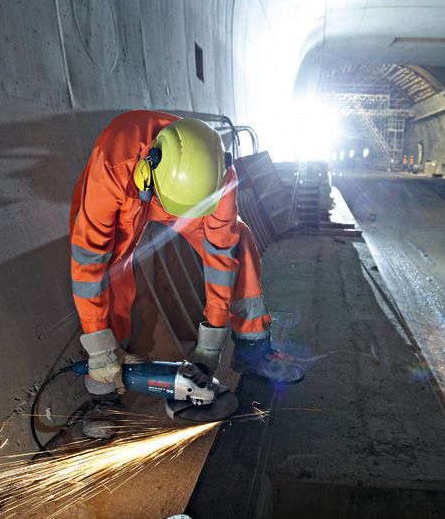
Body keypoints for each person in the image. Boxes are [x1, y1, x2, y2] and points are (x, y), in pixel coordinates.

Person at [69, 111, 303, 429]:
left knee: (240, 242)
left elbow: (221, 259)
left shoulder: (220, 176)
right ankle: (103, 388)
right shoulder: (111, 165)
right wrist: (99, 347)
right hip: (131, 192)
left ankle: (252, 349)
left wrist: (209, 346)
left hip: (185, 200)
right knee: (112, 270)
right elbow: (88, 262)